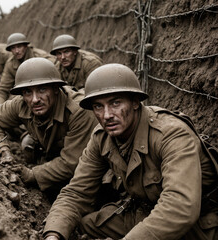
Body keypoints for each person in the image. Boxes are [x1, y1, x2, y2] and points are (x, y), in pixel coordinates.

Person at [43, 63, 218, 240]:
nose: (106, 115)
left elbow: (180, 207)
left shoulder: (171, 134)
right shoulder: (102, 137)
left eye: (115, 103)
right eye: (98, 106)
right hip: (146, 210)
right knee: (81, 226)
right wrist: (53, 234)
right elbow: (77, 192)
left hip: (194, 224)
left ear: (135, 102)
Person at [0, 58, 98, 200]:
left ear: (56, 88)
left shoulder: (79, 111)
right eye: (28, 92)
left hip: (85, 167)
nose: (35, 99)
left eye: (42, 89)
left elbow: (72, 162)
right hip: (51, 149)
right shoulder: (21, 103)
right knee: (27, 145)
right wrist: (4, 150)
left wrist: (32, 175)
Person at [0, 33, 56, 106]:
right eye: (13, 48)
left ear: (25, 46)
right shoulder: (10, 64)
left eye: (19, 47)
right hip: (25, 95)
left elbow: (56, 73)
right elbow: (2, 89)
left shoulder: (41, 57)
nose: (16, 51)